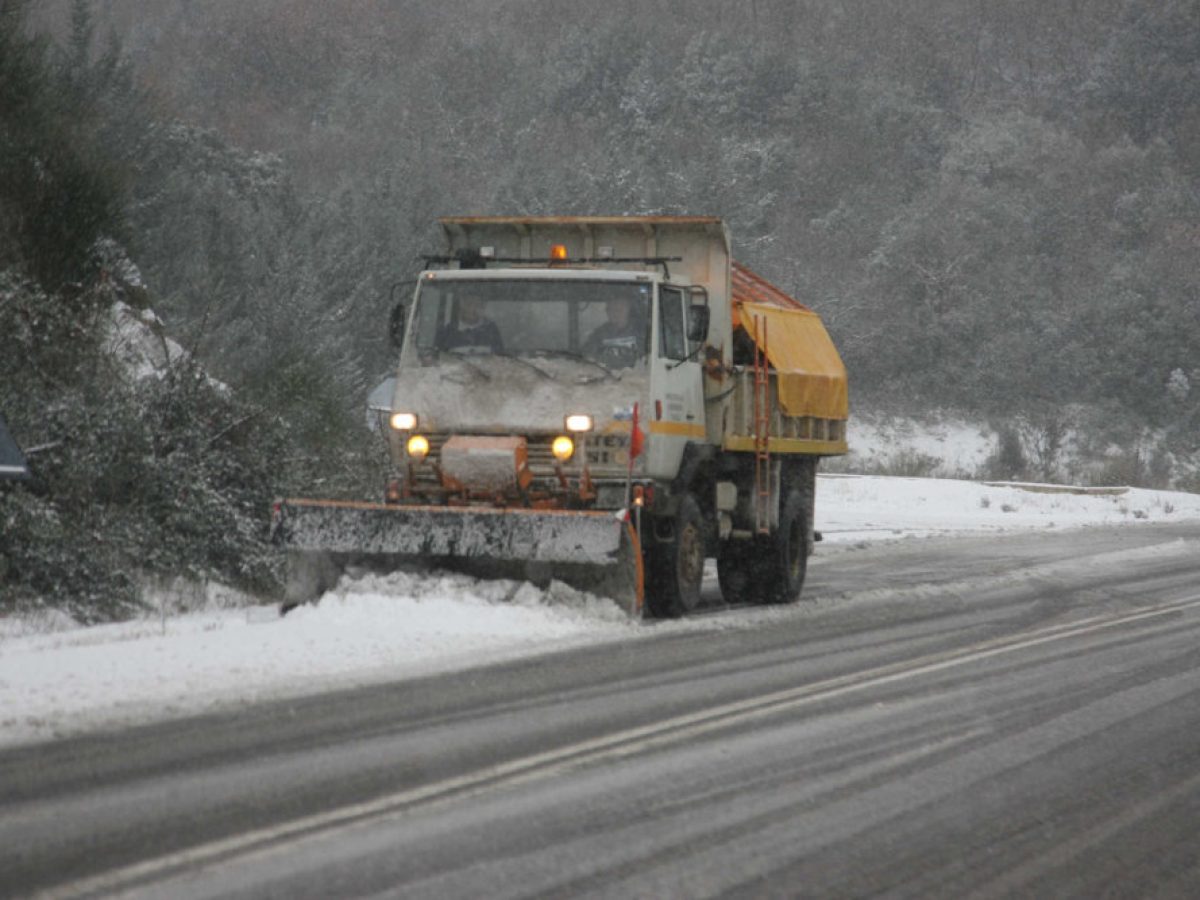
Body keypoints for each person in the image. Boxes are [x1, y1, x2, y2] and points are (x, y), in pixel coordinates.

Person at [584, 297, 644, 367]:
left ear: (628, 311)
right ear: (607, 312)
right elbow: (587, 356)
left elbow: (646, 360)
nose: (615, 313)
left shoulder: (640, 332)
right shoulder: (599, 334)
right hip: (604, 372)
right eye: (611, 310)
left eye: (619, 310)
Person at [436, 296, 504, 352]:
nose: (472, 309)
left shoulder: (491, 331)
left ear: (483, 307)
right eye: (469, 304)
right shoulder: (446, 332)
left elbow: (500, 358)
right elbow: (436, 359)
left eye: (478, 305)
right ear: (461, 303)